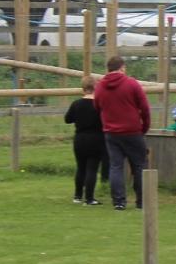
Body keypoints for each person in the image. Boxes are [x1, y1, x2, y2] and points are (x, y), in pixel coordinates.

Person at [94, 56, 152, 211]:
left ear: (108, 69)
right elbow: (145, 108)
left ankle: (119, 201)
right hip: (132, 130)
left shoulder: (100, 86)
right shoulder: (131, 84)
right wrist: (144, 127)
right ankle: (141, 201)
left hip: (111, 132)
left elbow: (97, 106)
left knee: (116, 166)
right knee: (139, 165)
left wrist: (106, 122)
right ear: (122, 68)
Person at [62, 75, 106, 206]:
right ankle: (90, 198)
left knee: (80, 167)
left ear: (83, 88)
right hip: (96, 138)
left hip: (80, 139)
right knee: (92, 168)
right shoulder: (99, 105)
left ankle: (77, 195)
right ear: (96, 88)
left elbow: (67, 119)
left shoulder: (76, 104)